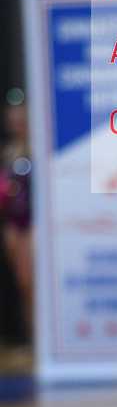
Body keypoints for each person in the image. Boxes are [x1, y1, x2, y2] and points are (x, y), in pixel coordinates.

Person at [0, 100, 33, 347]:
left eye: (19, 120)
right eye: (12, 120)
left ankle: (40, 337)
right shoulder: (8, 151)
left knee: (31, 281)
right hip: (13, 222)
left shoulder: (36, 147)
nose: (15, 124)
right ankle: (30, 336)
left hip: (32, 222)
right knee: (21, 283)